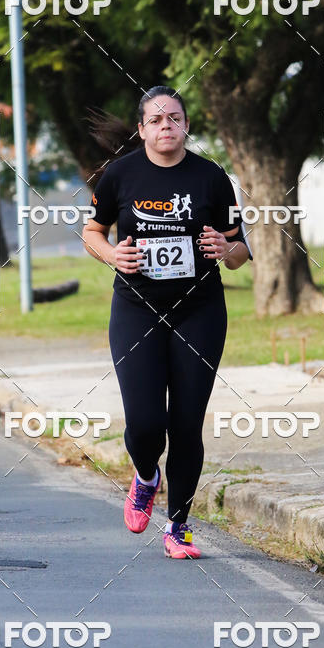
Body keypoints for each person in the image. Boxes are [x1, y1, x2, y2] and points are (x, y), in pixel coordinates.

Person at [82, 86, 252, 559]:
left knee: (186, 423)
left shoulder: (213, 178)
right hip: (136, 310)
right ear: (141, 130)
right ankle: (145, 475)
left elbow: (240, 252)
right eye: (156, 120)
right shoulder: (119, 175)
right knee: (143, 423)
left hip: (198, 312)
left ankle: (178, 527)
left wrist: (226, 249)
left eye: (174, 118)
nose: (166, 127)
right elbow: (91, 232)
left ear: (186, 126)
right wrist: (113, 254)